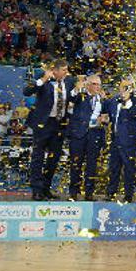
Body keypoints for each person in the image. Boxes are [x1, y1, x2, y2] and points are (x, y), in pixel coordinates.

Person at [22, 59, 75, 201]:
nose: (66, 72)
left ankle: (46, 188)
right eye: (63, 70)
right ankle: (36, 189)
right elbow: (26, 91)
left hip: (60, 124)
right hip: (43, 124)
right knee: (38, 156)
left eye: (67, 70)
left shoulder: (69, 82)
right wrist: (43, 79)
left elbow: (76, 94)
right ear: (55, 70)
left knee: (54, 158)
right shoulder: (43, 80)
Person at [65, 74, 107, 201]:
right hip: (78, 135)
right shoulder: (80, 96)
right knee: (76, 164)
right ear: (88, 85)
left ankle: (89, 193)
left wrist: (104, 119)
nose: (97, 87)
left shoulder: (103, 99)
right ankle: (73, 193)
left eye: (99, 84)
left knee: (92, 165)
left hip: (95, 135)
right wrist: (78, 87)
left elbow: (107, 116)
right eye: (94, 84)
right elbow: (70, 98)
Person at [104, 79, 136, 202]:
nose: (125, 90)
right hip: (115, 140)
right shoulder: (113, 101)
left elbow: (134, 114)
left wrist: (126, 101)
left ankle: (128, 195)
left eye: (128, 87)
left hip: (129, 141)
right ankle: (111, 192)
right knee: (114, 167)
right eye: (123, 87)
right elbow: (106, 112)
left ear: (132, 89)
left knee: (129, 168)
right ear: (119, 88)